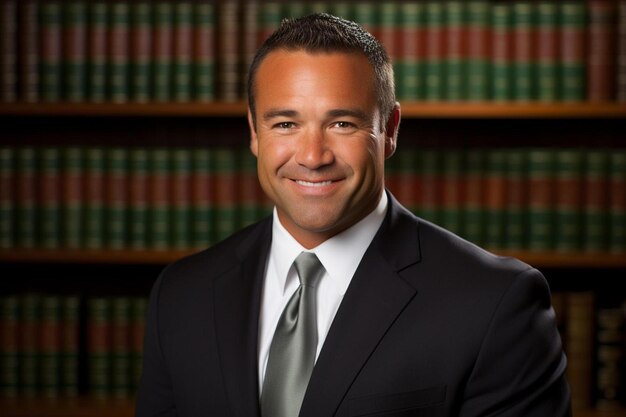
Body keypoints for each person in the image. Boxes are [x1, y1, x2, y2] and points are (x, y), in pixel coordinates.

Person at [136, 13, 571, 417]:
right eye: (286, 124)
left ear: (390, 131)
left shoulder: (495, 303)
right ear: (254, 132)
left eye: (342, 123)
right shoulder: (181, 294)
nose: (312, 156)